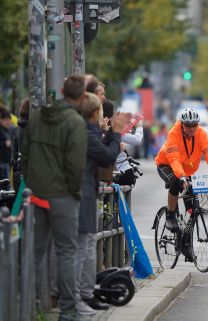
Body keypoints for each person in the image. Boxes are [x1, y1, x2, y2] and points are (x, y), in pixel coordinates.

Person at [22, 75, 88, 321]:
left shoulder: (37, 116)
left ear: (61, 90)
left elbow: (24, 153)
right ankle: (68, 312)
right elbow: (75, 165)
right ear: (82, 97)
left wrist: (31, 181)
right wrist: (74, 192)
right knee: (66, 252)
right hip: (63, 196)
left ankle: (30, 306)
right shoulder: (75, 123)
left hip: (36, 193)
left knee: (35, 251)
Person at [74, 93, 129, 315]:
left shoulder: (87, 131)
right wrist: (115, 132)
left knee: (85, 246)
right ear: (95, 113)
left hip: (83, 192)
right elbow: (106, 156)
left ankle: (85, 294)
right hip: (80, 194)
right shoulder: (85, 132)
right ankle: (77, 297)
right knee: (81, 248)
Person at [154, 108, 208, 237]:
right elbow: (174, 158)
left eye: (194, 125)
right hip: (166, 165)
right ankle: (170, 216)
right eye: (188, 126)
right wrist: (181, 176)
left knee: (191, 203)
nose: (192, 128)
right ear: (182, 124)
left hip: (186, 170)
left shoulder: (201, 133)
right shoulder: (174, 133)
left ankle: (186, 242)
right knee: (176, 182)